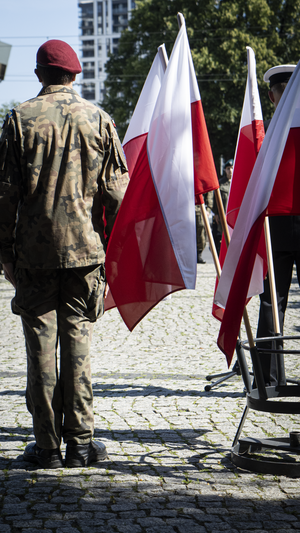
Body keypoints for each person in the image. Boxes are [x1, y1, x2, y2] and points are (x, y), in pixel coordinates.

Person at [0, 40, 129, 468]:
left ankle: (48, 448)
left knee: (40, 350)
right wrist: (114, 250)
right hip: (85, 254)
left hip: (33, 256)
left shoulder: (20, 119)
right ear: (75, 75)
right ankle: (81, 444)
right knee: (78, 345)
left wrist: (4, 253)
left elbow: (5, 196)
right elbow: (117, 194)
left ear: (39, 75)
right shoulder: (99, 119)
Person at [256, 64, 300, 386]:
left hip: (277, 223)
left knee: (273, 300)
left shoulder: (266, 131)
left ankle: (266, 379)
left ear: (273, 96)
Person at [212, 159, 233, 255]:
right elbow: (215, 200)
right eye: (228, 168)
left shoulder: (237, 182)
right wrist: (216, 213)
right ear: (225, 170)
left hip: (233, 216)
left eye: (232, 168)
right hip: (223, 216)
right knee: (221, 238)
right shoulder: (220, 183)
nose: (230, 171)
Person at [195, 191, 213, 264]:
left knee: (201, 232)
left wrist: (208, 209)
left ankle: (199, 254)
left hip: (200, 208)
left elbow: (209, 195)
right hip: (188, 208)